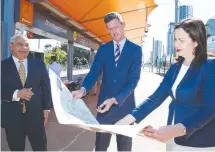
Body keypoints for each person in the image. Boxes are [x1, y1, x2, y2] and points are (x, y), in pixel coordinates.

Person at [116, 18, 215, 151]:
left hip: (197, 142)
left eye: (181, 40)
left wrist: (177, 129)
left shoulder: (209, 66)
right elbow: (155, 98)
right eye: (175, 39)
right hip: (173, 139)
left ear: (196, 41)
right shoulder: (175, 67)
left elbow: (209, 109)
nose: (176, 44)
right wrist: (125, 121)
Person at [72, 12, 142, 151]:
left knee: (124, 148)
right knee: (100, 147)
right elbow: (94, 73)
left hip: (125, 109)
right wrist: (83, 89)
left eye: (116, 27)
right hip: (104, 110)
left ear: (123, 25)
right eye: (110, 29)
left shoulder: (136, 50)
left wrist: (115, 99)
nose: (114, 31)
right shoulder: (103, 49)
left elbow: (133, 81)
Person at [1, 34, 53, 151]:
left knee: (40, 148)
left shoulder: (38, 64)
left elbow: (46, 88)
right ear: (11, 46)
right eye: (20, 44)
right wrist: (16, 94)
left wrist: (46, 108)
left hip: (36, 117)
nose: (24, 48)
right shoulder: (2, 66)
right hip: (12, 119)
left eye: (26, 45)